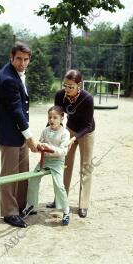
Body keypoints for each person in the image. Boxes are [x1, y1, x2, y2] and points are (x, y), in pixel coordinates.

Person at [0, 41, 38, 228]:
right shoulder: (8, 79)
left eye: (26, 59)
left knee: (22, 171)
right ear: (11, 57)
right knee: (9, 175)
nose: (22, 63)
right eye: (19, 58)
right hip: (9, 134)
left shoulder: (17, 73)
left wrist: (25, 136)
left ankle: (20, 206)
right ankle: (10, 213)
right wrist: (30, 137)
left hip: (19, 132)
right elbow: (17, 111)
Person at [46, 69, 95, 218]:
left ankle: (83, 205)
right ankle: (60, 200)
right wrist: (48, 133)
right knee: (64, 165)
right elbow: (56, 116)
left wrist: (74, 138)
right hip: (70, 130)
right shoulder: (61, 95)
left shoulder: (87, 98)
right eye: (65, 85)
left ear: (79, 85)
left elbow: (87, 125)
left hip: (86, 133)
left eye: (70, 86)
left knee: (85, 168)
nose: (66, 89)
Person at [21, 105, 71, 225]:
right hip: (44, 160)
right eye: (50, 117)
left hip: (57, 162)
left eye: (55, 117)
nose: (52, 120)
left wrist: (50, 148)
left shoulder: (65, 133)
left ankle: (66, 211)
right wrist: (39, 146)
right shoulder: (45, 130)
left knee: (59, 186)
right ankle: (31, 205)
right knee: (33, 179)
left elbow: (63, 151)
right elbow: (39, 144)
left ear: (62, 118)